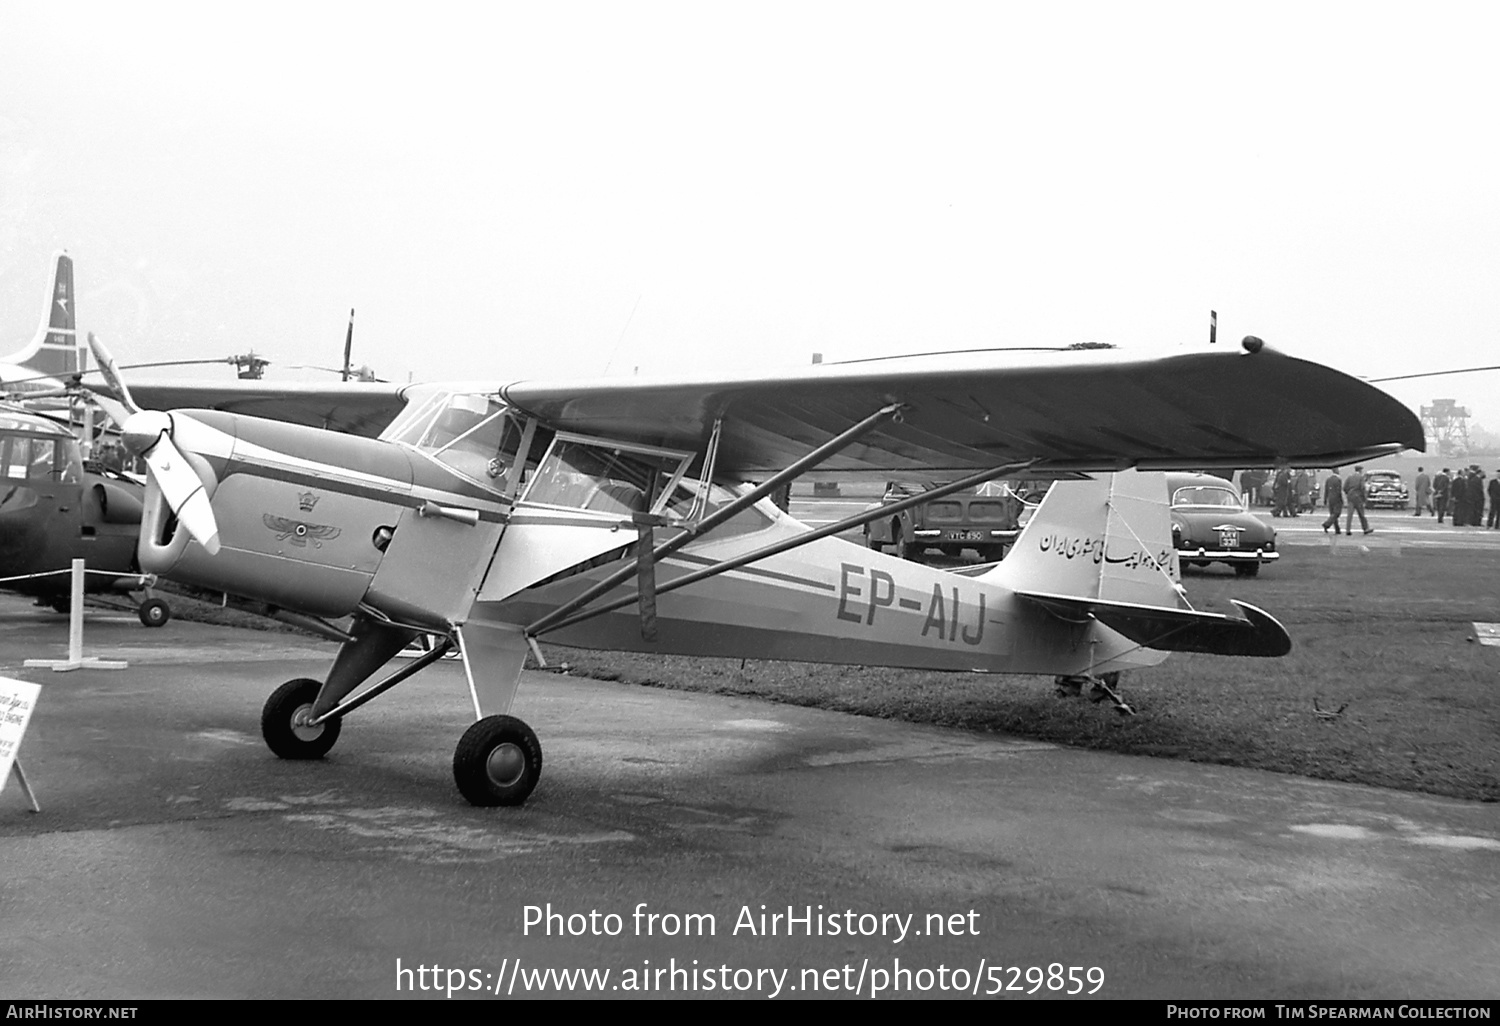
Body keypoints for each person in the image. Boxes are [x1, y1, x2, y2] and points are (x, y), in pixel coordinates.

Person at [1344, 464, 1372, 535]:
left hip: (1350, 496)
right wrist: (1364, 498)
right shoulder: (1361, 477)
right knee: (1361, 514)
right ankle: (1365, 528)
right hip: (1358, 497)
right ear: (1360, 470)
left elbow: (1344, 487)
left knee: (1349, 514)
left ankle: (1348, 530)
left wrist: (1348, 493)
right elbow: (1362, 488)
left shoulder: (1350, 477)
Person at [1321, 468, 1344, 534]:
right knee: (1337, 513)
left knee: (1332, 514)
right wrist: (1341, 499)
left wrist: (1325, 499)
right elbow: (1338, 490)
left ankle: (1337, 529)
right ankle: (1327, 524)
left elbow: (1326, 490)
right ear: (1336, 471)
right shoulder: (1338, 480)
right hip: (1336, 498)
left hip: (1330, 499)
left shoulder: (1328, 479)